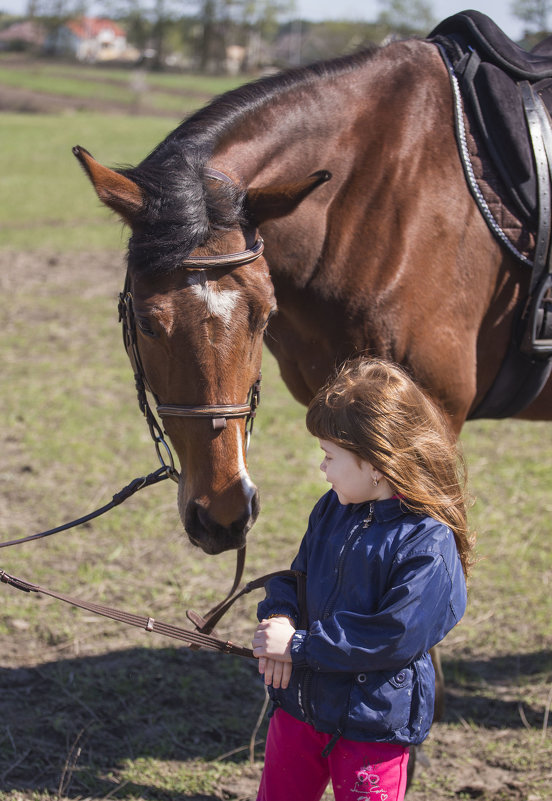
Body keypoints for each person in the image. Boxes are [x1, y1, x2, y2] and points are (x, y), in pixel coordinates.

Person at [251, 357, 474, 801]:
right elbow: (298, 576)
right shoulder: (332, 509)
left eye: (330, 457)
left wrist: (297, 647)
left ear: (375, 463)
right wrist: (279, 615)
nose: (323, 469)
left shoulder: (427, 543)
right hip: (300, 709)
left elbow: (393, 636)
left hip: (372, 728)